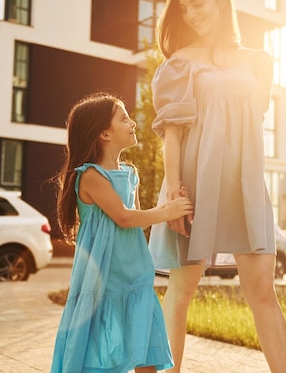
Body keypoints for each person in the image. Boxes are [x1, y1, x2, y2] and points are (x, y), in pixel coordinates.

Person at [148, 0, 286, 372]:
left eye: (199, 2)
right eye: (184, 7)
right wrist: (176, 194)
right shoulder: (179, 64)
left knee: (263, 289)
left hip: (245, 186)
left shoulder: (256, 63)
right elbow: (173, 135)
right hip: (193, 185)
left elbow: (249, 122)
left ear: (220, 0)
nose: (192, 14)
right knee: (181, 290)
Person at [51, 92, 194, 373]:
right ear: (104, 132)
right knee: (101, 354)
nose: (133, 123)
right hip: (105, 281)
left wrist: (169, 207)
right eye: (124, 118)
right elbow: (124, 217)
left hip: (134, 275)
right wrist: (167, 211)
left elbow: (139, 220)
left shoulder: (129, 174)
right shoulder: (90, 176)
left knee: (145, 351)